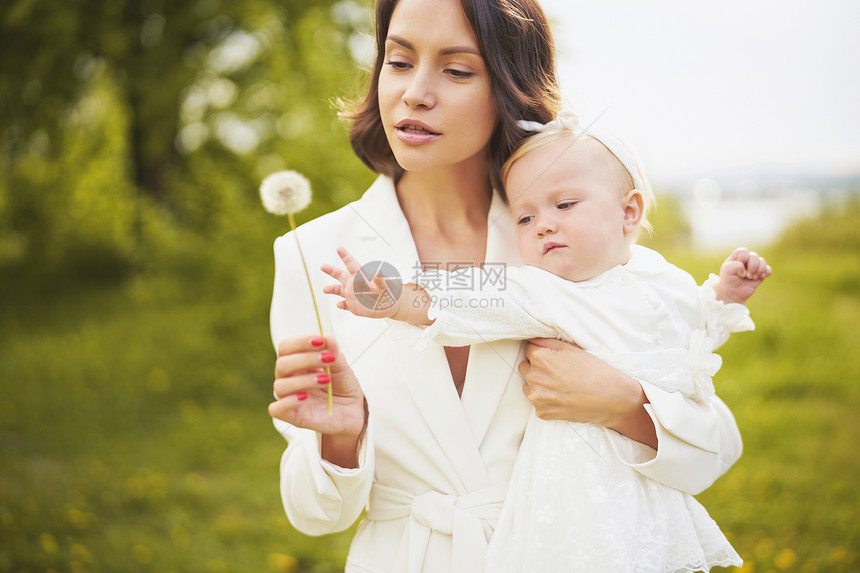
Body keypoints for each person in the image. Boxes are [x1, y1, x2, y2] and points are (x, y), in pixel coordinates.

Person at [267, 0, 744, 571]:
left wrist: (623, 405)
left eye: (457, 69)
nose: (416, 92)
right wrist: (340, 439)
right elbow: (315, 514)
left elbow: (716, 449)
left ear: (509, 87)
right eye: (398, 61)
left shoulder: (566, 238)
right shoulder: (312, 253)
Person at [322, 116, 772, 571]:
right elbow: (473, 296)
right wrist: (396, 297)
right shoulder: (544, 289)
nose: (543, 226)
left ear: (629, 211)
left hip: (651, 481)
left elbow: (691, 328)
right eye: (526, 216)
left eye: (565, 204)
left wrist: (723, 296)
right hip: (576, 475)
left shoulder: (660, 275)